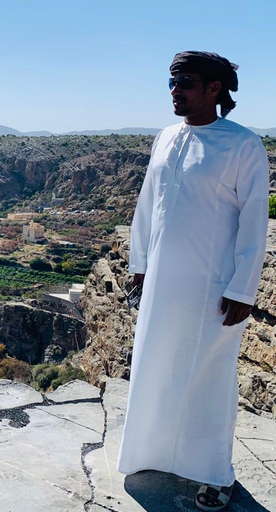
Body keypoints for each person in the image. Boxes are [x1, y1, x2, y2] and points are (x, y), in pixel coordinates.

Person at [116, 51, 270, 512]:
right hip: (163, 279)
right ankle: (151, 452)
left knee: (208, 375)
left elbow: (254, 221)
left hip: (214, 286)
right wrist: (140, 263)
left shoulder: (243, 145)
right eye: (171, 82)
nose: (174, 91)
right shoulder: (166, 137)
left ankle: (214, 473)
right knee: (156, 363)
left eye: (184, 82)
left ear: (214, 89)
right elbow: (148, 204)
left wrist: (243, 288)